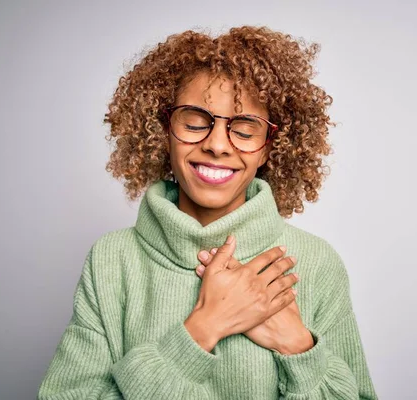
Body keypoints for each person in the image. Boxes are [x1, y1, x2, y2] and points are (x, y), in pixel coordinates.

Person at [38, 25, 379, 399]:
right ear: (162, 129)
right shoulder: (111, 261)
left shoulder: (315, 263)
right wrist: (203, 328)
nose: (217, 144)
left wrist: (297, 345)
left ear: (269, 147)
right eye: (195, 122)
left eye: (245, 130)